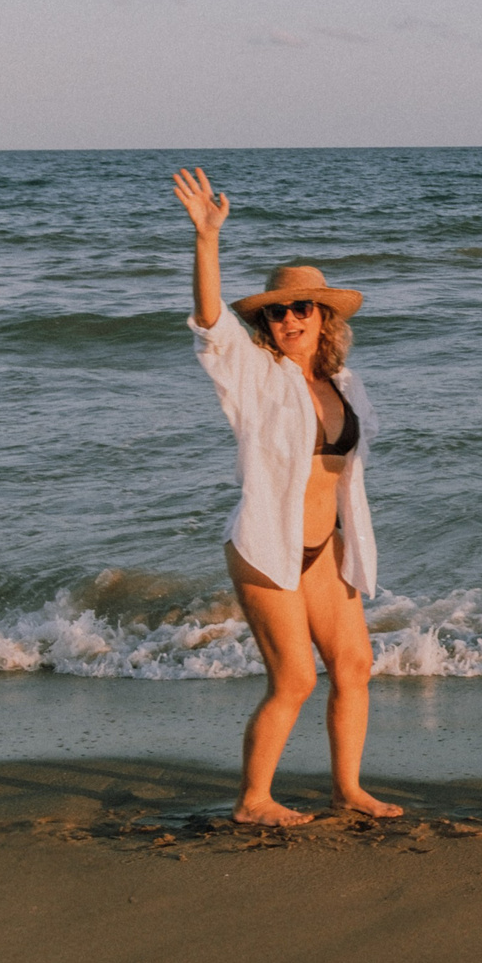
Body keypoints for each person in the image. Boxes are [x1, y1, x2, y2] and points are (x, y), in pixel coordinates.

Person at [172, 165, 402, 827]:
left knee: (355, 663)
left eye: (302, 308)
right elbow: (213, 326)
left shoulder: (346, 383)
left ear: (323, 315)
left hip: (326, 549)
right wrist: (206, 240)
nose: (289, 319)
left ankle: (347, 789)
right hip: (266, 546)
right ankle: (253, 800)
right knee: (296, 679)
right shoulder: (255, 376)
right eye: (278, 311)